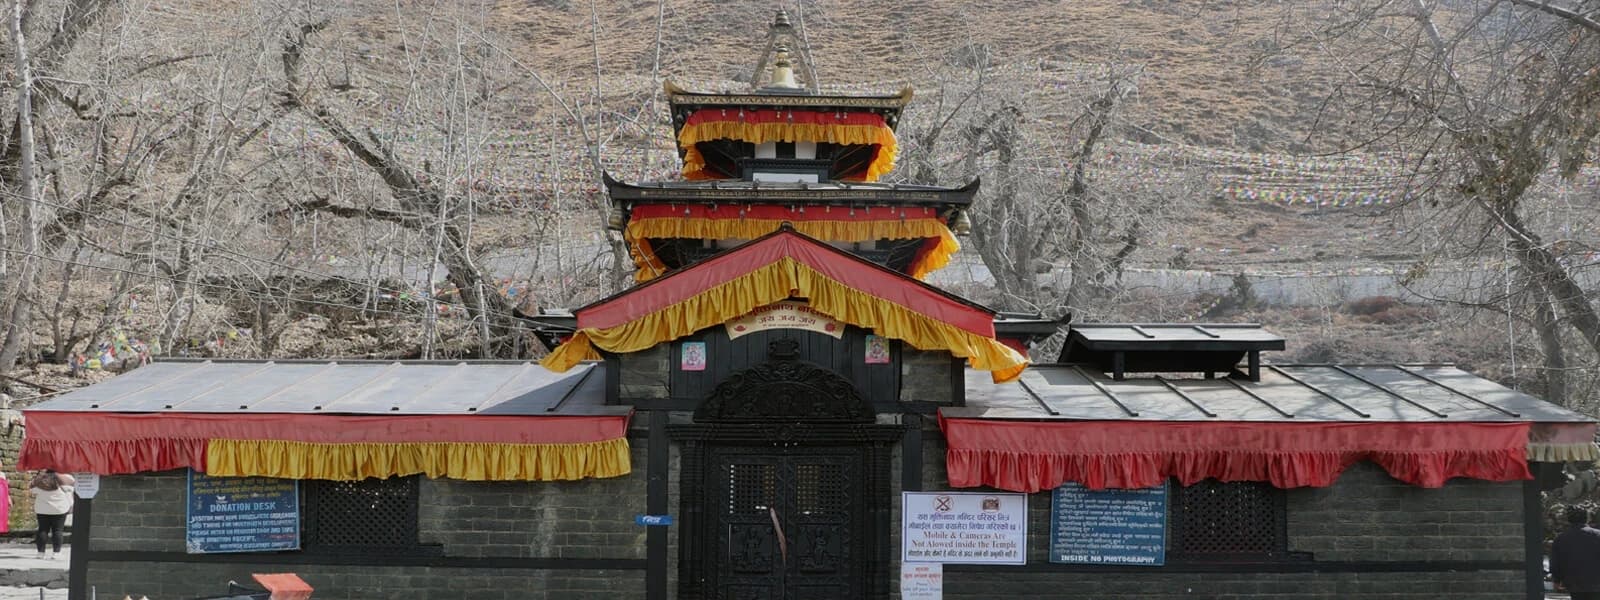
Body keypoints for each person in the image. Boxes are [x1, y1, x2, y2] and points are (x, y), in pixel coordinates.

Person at [1551, 506, 1600, 600]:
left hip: (1573, 583)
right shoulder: (1597, 535)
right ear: (1587, 518)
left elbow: (1556, 562)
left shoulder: (1561, 538)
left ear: (1569, 520)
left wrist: (1556, 580)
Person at [29, 470, 75, 560]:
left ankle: (40, 553)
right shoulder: (66, 478)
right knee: (58, 531)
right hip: (59, 509)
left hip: (42, 509)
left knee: (42, 530)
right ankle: (56, 553)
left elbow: (32, 490)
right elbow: (72, 488)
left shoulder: (40, 480)